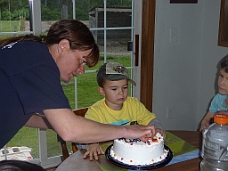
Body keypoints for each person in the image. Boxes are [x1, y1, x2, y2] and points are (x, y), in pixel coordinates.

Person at [0, 19, 156, 149]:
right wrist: (127, 131)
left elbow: (21, 114)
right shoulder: (40, 63)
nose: (81, 71)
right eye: (81, 60)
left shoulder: (29, 53)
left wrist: (58, 123)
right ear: (63, 46)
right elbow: (69, 131)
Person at [82, 62, 166, 160]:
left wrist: (158, 128)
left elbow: (151, 120)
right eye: (114, 89)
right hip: (105, 159)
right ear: (102, 91)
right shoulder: (95, 113)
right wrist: (92, 143)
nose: (121, 93)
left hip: (133, 157)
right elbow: (81, 138)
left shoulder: (133, 104)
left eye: (125, 87)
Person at [200, 54, 228, 131]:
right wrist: (205, 124)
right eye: (221, 75)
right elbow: (206, 119)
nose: (221, 82)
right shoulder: (218, 99)